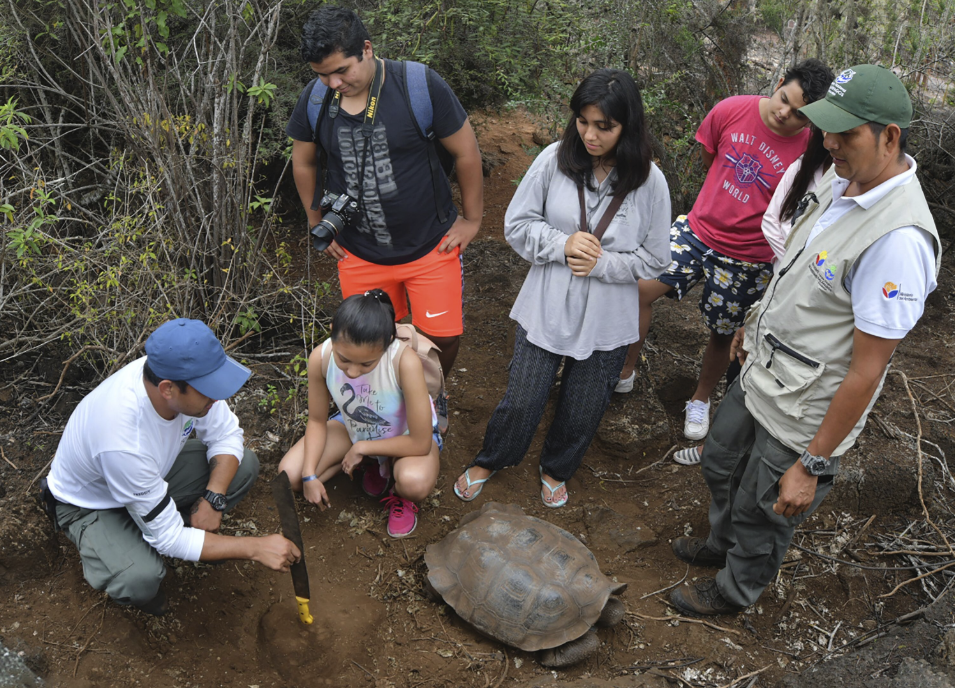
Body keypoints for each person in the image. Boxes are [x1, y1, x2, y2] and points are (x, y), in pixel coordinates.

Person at [668, 65, 940, 616]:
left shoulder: (898, 241)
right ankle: (720, 548)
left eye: (846, 132)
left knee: (764, 507)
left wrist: (814, 463)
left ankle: (735, 588)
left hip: (804, 407)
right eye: (827, 129)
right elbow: (797, 270)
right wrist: (753, 321)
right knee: (720, 459)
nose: (830, 143)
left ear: (889, 135)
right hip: (763, 368)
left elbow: (867, 370)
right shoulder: (841, 183)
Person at [453, 69, 671, 508]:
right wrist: (562, 244)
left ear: (627, 126)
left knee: (585, 403)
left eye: (604, 127)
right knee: (523, 396)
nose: (590, 135)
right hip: (548, 302)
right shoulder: (555, 160)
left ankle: (557, 467)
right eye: (583, 121)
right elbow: (517, 225)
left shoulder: (650, 183)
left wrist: (604, 264)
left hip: (609, 314)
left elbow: (655, 259)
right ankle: (493, 458)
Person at [615, 60, 834, 444]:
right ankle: (624, 369)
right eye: (784, 99)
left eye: (800, 114)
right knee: (637, 291)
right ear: (779, 82)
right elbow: (710, 157)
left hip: (749, 255)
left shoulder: (809, 151)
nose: (785, 113)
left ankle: (700, 399)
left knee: (722, 332)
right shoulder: (732, 109)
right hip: (697, 229)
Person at [42, 319, 301, 615]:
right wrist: (255, 547)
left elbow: (226, 435)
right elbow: (169, 539)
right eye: (207, 391)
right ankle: (122, 545)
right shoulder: (121, 437)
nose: (217, 398)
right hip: (92, 503)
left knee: (243, 466)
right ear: (167, 390)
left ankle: (158, 520)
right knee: (140, 578)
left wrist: (213, 497)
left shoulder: (178, 373)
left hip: (149, 474)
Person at [286, 6, 483, 375]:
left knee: (442, 339)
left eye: (342, 70)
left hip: (431, 243)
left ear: (367, 48)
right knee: (370, 343)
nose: (334, 83)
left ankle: (430, 399)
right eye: (322, 75)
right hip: (359, 251)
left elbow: (466, 151)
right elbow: (304, 161)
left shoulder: (418, 85)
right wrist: (316, 220)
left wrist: (472, 220)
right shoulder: (316, 100)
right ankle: (385, 406)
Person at [672, 125, 833, 466]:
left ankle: (742, 459)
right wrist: (798, 265)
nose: (833, 142)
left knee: (780, 386)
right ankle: (716, 449)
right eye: (827, 133)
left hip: (810, 309)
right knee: (744, 369)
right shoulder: (805, 168)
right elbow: (772, 221)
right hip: (777, 288)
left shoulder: (859, 194)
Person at [278, 290, 441, 538]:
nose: (353, 372)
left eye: (366, 364)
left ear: (387, 343)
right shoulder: (319, 358)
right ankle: (370, 463)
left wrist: (362, 447)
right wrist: (309, 474)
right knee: (291, 476)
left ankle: (396, 488)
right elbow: (317, 420)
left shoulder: (403, 361)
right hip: (354, 425)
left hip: (406, 435)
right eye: (344, 359)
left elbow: (420, 442)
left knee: (413, 482)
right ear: (332, 331)